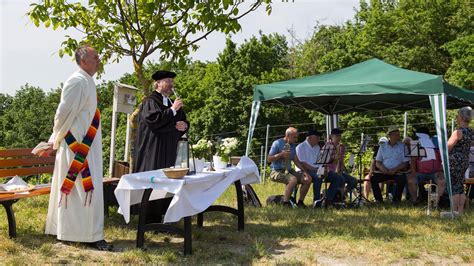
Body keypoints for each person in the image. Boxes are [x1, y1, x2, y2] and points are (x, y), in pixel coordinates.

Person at [42, 45, 112, 250]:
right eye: (95, 56)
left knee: (87, 186)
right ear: (83, 61)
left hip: (89, 142)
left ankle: (88, 232)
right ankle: (75, 232)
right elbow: (62, 113)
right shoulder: (76, 80)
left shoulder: (88, 81)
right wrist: (55, 139)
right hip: (77, 144)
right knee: (78, 188)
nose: (99, 59)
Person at [133, 70, 188, 172]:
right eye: (168, 81)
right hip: (153, 150)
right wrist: (172, 110)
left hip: (169, 149)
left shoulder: (171, 102)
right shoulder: (150, 101)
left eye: (172, 81)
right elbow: (154, 120)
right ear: (158, 83)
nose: (171, 84)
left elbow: (183, 121)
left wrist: (184, 125)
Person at [296, 129, 343, 207]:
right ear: (309, 137)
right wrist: (317, 170)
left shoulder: (317, 147)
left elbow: (321, 161)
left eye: (319, 137)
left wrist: (324, 169)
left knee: (337, 178)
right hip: (305, 171)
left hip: (316, 170)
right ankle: (317, 201)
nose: (318, 139)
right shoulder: (301, 147)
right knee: (318, 177)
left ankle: (328, 199)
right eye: (317, 137)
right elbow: (302, 164)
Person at [268, 127, 312, 208]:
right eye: (294, 137)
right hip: (276, 171)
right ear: (287, 136)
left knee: (308, 179)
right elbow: (269, 158)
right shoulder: (277, 143)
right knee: (293, 179)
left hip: (289, 170)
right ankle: (286, 203)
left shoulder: (292, 145)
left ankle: (300, 203)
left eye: (296, 137)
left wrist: (304, 172)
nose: (296, 139)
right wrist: (281, 154)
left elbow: (296, 161)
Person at [406, 127, 445, 205]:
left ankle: (436, 202)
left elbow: (442, 160)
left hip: (435, 172)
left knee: (442, 181)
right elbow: (413, 160)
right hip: (420, 173)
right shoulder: (415, 144)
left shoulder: (436, 143)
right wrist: (413, 173)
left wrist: (440, 171)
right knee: (411, 180)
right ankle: (414, 201)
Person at [371, 126, 409, 203]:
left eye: (398, 135)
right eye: (395, 135)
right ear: (390, 135)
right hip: (384, 171)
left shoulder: (403, 146)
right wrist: (383, 169)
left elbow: (405, 162)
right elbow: (378, 162)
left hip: (398, 171)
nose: (397, 137)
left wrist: (395, 169)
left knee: (402, 179)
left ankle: (396, 200)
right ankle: (378, 200)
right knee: (373, 179)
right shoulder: (382, 146)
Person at [447, 106, 473, 215]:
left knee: (453, 186)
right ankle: (460, 211)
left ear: (462, 117)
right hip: (464, 160)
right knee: (460, 186)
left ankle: (454, 211)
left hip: (455, 161)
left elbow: (448, 147)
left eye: (457, 116)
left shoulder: (457, 132)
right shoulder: (470, 131)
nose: (456, 118)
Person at [325, 128, 357, 200]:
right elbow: (325, 161)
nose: (339, 137)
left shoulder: (342, 147)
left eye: (339, 136)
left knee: (353, 181)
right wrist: (335, 155)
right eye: (337, 136)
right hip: (329, 171)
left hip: (338, 171)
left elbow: (341, 161)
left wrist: (340, 170)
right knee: (340, 179)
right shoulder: (327, 146)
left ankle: (341, 195)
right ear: (332, 136)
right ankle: (329, 199)